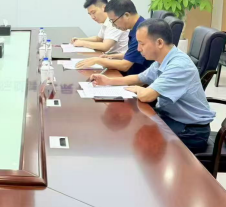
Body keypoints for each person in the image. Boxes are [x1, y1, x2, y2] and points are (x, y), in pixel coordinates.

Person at [91, 19, 215, 153]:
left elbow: (147, 96)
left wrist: (139, 89)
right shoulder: (163, 59)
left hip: (191, 130)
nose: (138, 49)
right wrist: (108, 81)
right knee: (131, 131)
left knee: (134, 139)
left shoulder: (179, 65)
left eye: (142, 44)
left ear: (159, 43)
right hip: (171, 118)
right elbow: (139, 78)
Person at [77, 0, 153, 75]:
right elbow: (133, 54)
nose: (113, 25)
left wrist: (98, 60)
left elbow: (125, 66)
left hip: (139, 76)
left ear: (126, 15)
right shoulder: (138, 26)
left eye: (113, 21)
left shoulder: (142, 32)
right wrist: (113, 56)